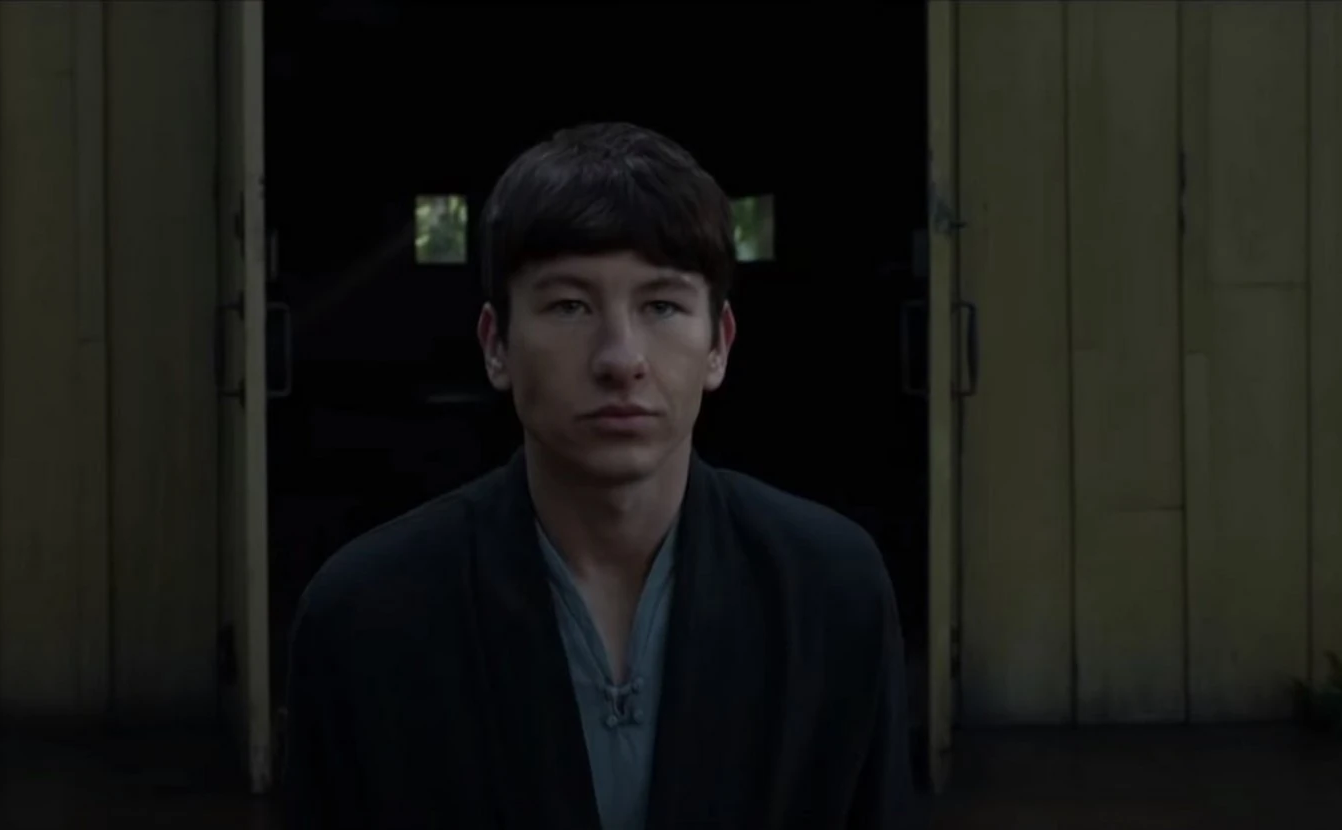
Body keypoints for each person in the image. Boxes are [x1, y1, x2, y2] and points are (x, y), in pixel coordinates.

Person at [282, 122, 922, 829]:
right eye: (570, 306)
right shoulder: (365, 617)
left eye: (662, 306)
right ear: (496, 346)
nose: (621, 359)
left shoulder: (830, 590)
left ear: (718, 345)